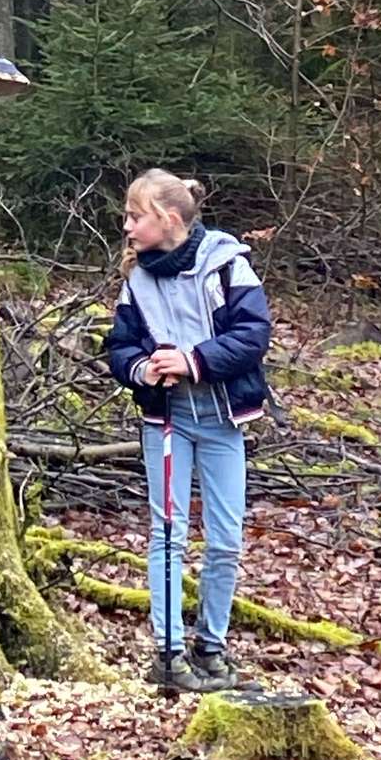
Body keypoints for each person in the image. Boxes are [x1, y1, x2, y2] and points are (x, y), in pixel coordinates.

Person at [104, 169, 274, 695]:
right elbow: (120, 347)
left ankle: (211, 648)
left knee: (225, 539)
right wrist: (144, 370)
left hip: (223, 420)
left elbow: (253, 334)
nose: (128, 227)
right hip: (168, 421)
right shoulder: (137, 281)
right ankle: (168, 653)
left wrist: (192, 360)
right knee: (168, 533)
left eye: (136, 217)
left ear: (170, 219)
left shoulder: (228, 264)